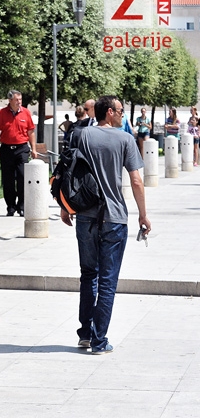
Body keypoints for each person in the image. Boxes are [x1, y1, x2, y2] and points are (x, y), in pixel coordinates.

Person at [59, 95, 150, 355]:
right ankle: (99, 341)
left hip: (85, 215)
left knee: (89, 275)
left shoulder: (81, 135)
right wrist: (143, 215)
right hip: (114, 217)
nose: (123, 114)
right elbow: (136, 181)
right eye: (120, 110)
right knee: (108, 281)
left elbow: (67, 171)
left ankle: (85, 335)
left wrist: (65, 207)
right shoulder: (125, 139)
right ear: (109, 112)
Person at [0, 90, 37, 216]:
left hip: (22, 149)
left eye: (20, 99)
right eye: (17, 100)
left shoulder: (26, 112)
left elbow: (31, 132)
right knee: (8, 180)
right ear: (10, 100)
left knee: (22, 177)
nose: (19, 102)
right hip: (6, 150)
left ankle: (21, 206)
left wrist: (33, 149)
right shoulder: (2, 113)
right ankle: (10, 206)